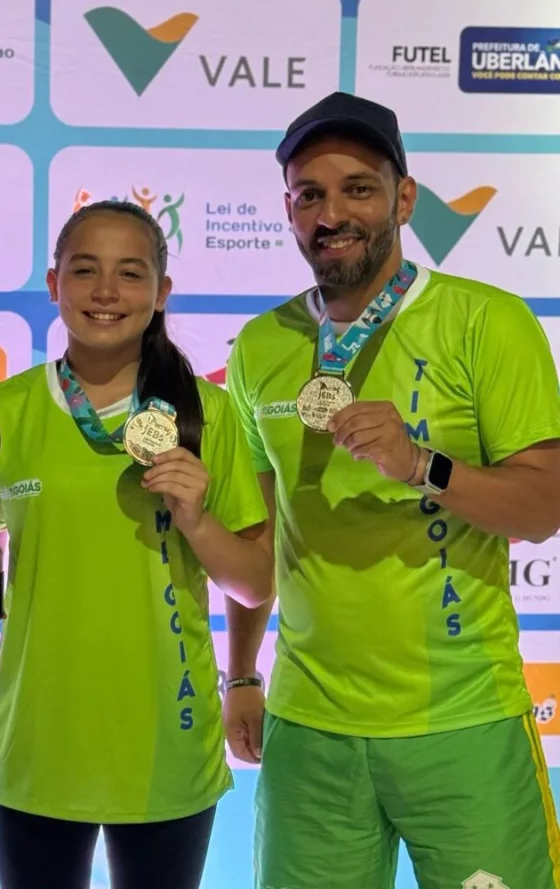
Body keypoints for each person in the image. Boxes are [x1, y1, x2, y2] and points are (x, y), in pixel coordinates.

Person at [224, 90, 560, 889]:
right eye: (310, 194)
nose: (331, 213)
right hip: (310, 730)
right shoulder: (261, 344)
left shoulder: (487, 321)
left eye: (357, 188)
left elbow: (544, 508)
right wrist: (240, 673)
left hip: (462, 719)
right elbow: (260, 536)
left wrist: (424, 467)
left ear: (404, 197)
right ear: (289, 210)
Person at [0, 200, 273, 889]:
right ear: (55, 282)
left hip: (165, 741)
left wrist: (197, 520)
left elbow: (256, 581)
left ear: (161, 293)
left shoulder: (206, 414)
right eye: (86, 271)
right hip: (36, 739)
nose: (107, 292)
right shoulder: (6, 408)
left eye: (130, 273)